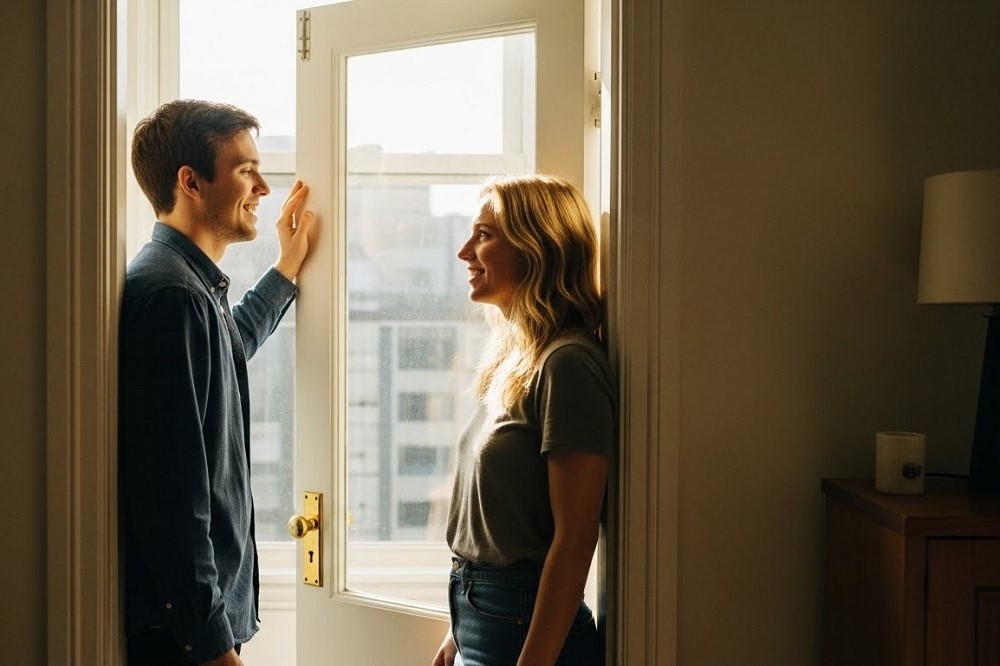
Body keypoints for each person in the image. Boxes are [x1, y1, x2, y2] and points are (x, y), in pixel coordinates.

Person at [120, 99, 313, 666]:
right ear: (190, 182)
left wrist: (286, 268)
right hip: (186, 645)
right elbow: (172, 499)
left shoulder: (186, 287)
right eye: (246, 170)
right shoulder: (172, 296)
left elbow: (232, 348)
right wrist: (212, 647)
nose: (264, 188)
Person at [432, 174, 616, 666]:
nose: (465, 251)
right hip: (484, 615)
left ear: (540, 248)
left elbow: (575, 540)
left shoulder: (569, 363)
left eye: (485, 235)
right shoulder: (518, 359)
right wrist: (460, 629)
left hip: (520, 625)